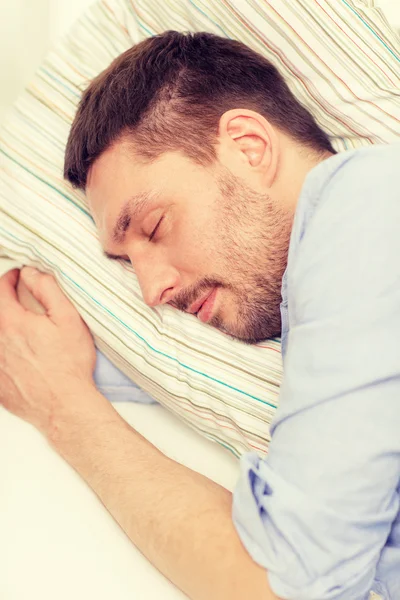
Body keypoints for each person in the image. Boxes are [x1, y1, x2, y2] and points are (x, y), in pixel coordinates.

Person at [0, 31, 399, 600]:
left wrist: (66, 412)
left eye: (155, 227)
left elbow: (291, 585)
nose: (152, 287)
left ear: (248, 147)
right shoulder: (296, 299)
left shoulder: (368, 204)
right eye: (127, 261)